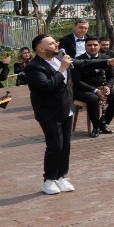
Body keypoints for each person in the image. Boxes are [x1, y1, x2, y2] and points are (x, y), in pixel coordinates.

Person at [27, 35, 79, 195]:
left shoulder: (59, 59)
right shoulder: (34, 67)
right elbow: (46, 86)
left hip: (65, 108)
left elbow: (82, 63)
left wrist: (108, 62)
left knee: (66, 145)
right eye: (51, 43)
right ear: (41, 49)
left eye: (55, 42)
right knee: (55, 145)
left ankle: (61, 176)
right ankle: (49, 180)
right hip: (48, 112)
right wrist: (62, 69)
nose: (57, 44)